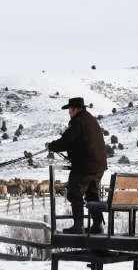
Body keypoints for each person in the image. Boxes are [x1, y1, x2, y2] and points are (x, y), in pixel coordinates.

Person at [46, 97, 108, 234]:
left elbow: (66, 140)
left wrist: (51, 146)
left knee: (75, 193)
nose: (69, 112)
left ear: (74, 109)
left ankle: (78, 226)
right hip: (99, 166)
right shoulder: (91, 119)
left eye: (69, 109)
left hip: (84, 166)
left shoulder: (78, 122)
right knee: (92, 195)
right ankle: (97, 225)